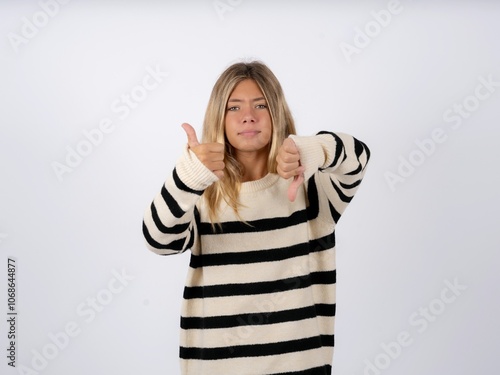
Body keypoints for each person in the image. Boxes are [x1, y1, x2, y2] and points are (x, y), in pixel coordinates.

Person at [142, 61, 370, 375]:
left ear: (277, 111)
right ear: (218, 118)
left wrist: (316, 149)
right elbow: (158, 241)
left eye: (260, 104)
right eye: (233, 107)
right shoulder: (203, 193)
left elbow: (358, 158)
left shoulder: (314, 189)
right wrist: (188, 177)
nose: (248, 115)